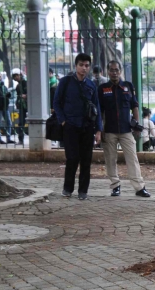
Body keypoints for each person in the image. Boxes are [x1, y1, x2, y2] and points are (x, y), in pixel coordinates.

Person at [97, 60, 150, 198]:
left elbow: (135, 106)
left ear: (120, 71)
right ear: (108, 72)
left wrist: (137, 124)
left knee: (132, 158)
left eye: (116, 70)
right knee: (110, 159)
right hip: (109, 130)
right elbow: (99, 111)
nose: (114, 72)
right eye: (111, 70)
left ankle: (139, 187)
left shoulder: (128, 86)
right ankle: (115, 186)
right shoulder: (103, 89)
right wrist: (100, 129)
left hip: (126, 130)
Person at [53, 53, 103, 200]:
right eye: (81, 65)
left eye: (87, 65)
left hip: (87, 127)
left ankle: (83, 191)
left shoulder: (91, 85)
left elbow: (97, 108)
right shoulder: (65, 82)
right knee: (72, 158)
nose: (84, 68)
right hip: (70, 126)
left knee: (86, 160)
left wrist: (98, 129)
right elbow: (56, 103)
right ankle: (67, 188)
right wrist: (63, 121)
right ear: (76, 66)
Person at [0, 71, 15, 145]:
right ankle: (0, 139)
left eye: (0, 76)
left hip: (5, 106)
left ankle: (8, 138)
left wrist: (8, 95)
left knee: (9, 122)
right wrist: (0, 83)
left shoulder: (4, 87)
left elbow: (7, 94)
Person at [12, 68, 27, 145]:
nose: (15, 77)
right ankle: (21, 140)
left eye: (16, 75)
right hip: (22, 106)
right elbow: (18, 96)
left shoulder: (26, 83)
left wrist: (26, 96)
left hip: (29, 105)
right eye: (14, 76)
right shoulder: (18, 86)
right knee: (20, 123)